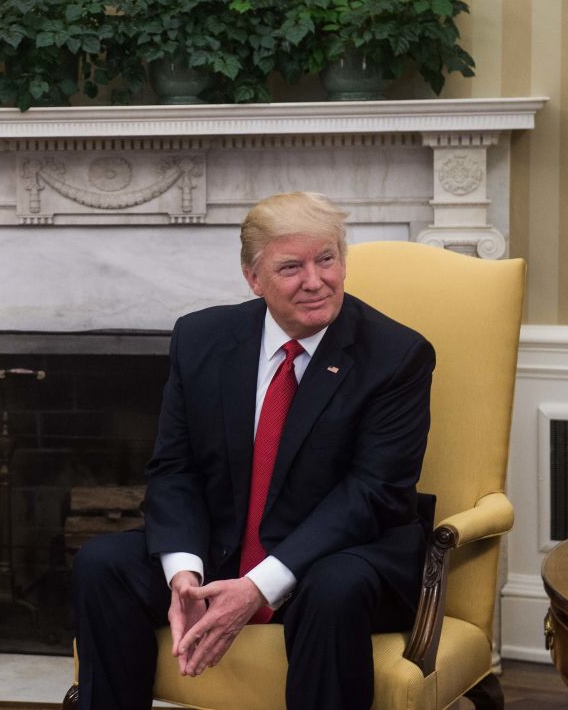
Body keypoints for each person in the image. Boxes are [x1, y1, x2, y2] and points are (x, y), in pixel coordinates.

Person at [72, 191, 435, 710]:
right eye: (291, 267)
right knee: (102, 562)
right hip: (224, 548)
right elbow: (174, 467)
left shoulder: (396, 356)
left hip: (343, 554)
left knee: (333, 588)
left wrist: (258, 586)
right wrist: (184, 576)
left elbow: (372, 494)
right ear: (253, 278)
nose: (316, 281)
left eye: (327, 259)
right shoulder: (201, 338)